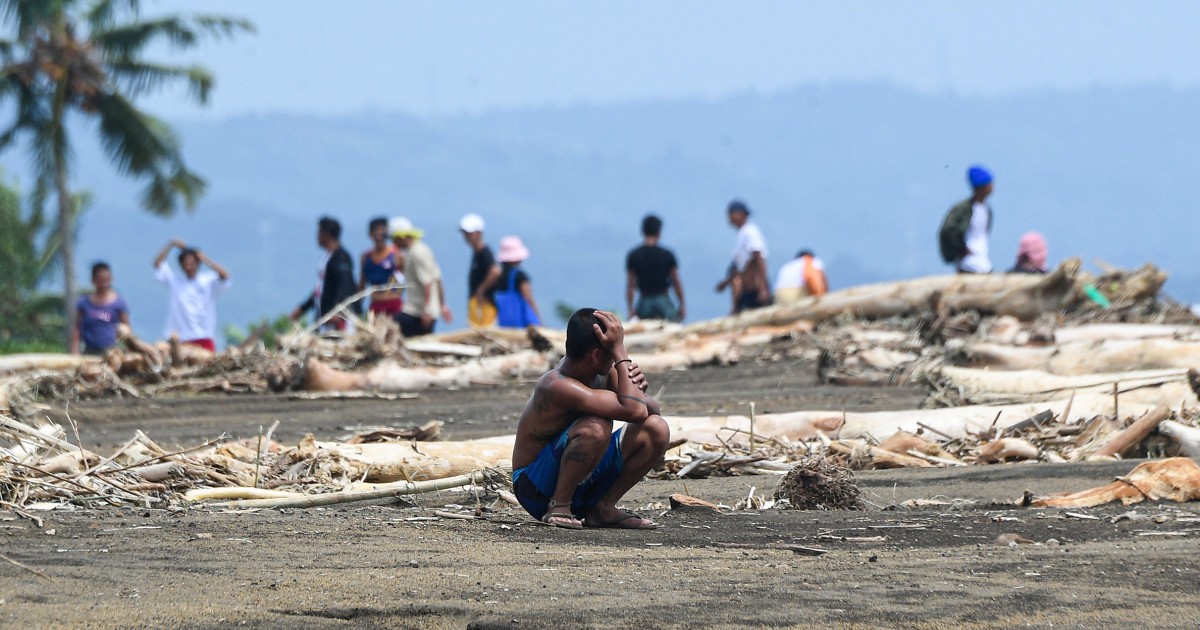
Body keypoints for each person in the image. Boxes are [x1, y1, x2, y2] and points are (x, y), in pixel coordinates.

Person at [512, 308, 669, 529]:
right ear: (596, 355)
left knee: (656, 428)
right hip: (535, 488)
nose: (616, 359)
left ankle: (603, 508)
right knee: (597, 425)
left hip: (582, 481)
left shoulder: (601, 373)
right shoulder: (557, 385)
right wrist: (621, 353)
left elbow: (648, 409)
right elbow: (634, 411)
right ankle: (559, 506)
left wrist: (635, 386)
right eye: (611, 352)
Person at [152, 239, 231, 352]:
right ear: (181, 265)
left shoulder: (207, 280)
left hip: (203, 335)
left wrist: (205, 259)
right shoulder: (175, 280)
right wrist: (170, 245)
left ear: (198, 263)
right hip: (180, 337)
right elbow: (157, 265)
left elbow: (225, 276)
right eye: (186, 264)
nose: (189, 267)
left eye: (192, 263)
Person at [290, 217, 360, 330]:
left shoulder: (341, 258)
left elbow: (345, 285)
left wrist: (338, 310)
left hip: (338, 320)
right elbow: (320, 290)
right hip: (324, 317)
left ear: (326, 234)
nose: (317, 237)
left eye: (319, 233)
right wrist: (303, 308)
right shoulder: (327, 258)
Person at [391, 217, 452, 337]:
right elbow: (438, 279)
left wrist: (427, 311)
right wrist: (442, 304)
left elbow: (427, 282)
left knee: (393, 329)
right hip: (422, 310)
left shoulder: (416, 254)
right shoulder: (421, 250)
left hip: (418, 311)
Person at [625, 214, 686, 322]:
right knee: (675, 326)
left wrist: (630, 308)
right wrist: (682, 304)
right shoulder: (667, 254)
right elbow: (676, 282)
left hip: (645, 301)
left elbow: (631, 285)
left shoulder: (634, 255)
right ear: (659, 231)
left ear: (643, 231)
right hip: (663, 299)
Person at [715, 200, 770, 313]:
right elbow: (741, 267)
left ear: (741, 214)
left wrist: (763, 288)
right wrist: (726, 282)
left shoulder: (750, 232)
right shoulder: (742, 234)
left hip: (755, 290)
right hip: (746, 291)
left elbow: (759, 257)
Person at [939, 166, 995, 274]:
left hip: (984, 263)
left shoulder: (987, 210)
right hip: (967, 264)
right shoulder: (963, 209)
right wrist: (961, 249)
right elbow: (947, 230)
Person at [71, 262, 130, 355]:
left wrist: (129, 349)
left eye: (107, 278)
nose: (104, 282)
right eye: (101, 278)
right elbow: (77, 327)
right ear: (93, 279)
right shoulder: (83, 303)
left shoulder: (118, 303)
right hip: (89, 350)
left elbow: (127, 328)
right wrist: (74, 349)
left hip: (111, 352)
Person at [460, 213, 500, 328]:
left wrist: (481, 290)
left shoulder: (484, 252)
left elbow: (495, 271)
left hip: (484, 303)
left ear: (479, 233)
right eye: (465, 234)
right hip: (477, 303)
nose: (466, 237)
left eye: (469, 234)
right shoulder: (477, 253)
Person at [359, 216, 404, 316]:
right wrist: (358, 306)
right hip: (375, 305)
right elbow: (362, 283)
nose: (379, 234)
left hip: (394, 304)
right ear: (371, 234)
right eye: (376, 231)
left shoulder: (396, 255)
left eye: (382, 231)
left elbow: (406, 279)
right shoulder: (366, 257)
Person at [494, 236, 542, 328]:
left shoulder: (499, 276)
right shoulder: (520, 276)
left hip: (504, 323)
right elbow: (529, 298)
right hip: (521, 323)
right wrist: (539, 320)